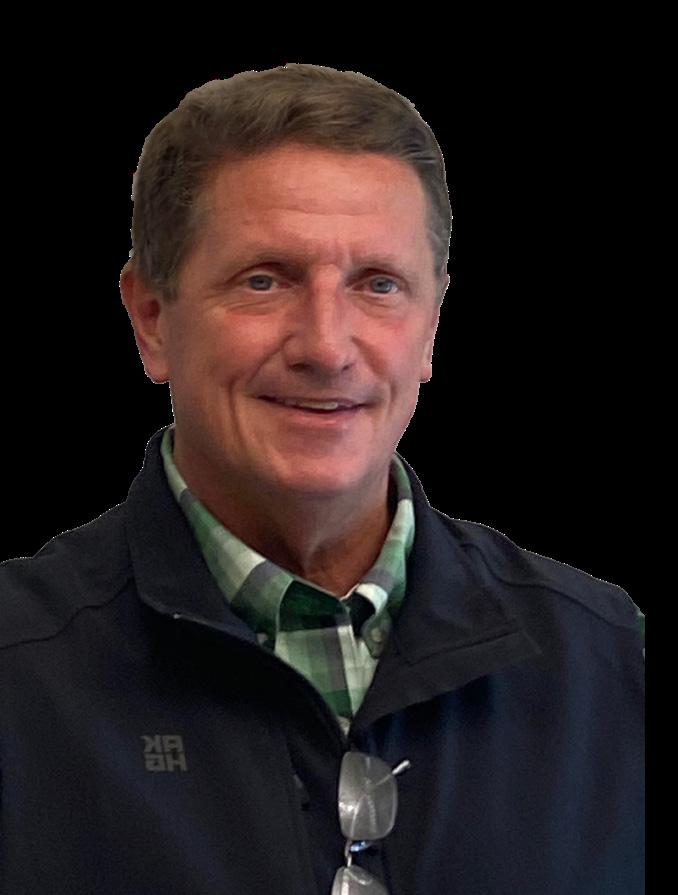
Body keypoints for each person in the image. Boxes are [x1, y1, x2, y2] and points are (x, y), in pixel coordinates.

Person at [0, 64, 644, 895]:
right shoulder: (17, 672)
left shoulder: (612, 662)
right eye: (264, 279)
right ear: (151, 318)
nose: (327, 345)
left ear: (430, 328)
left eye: (378, 285)